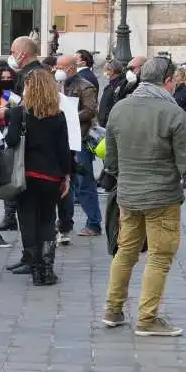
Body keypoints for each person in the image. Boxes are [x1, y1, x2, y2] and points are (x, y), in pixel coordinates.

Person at [102, 57, 186, 337]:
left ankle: (113, 310)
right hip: (162, 197)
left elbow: (110, 161)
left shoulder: (120, 109)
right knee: (160, 257)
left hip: (128, 195)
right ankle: (147, 319)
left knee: (125, 252)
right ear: (168, 81)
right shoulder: (172, 112)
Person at [5, 70, 72, 285]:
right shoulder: (58, 116)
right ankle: (47, 269)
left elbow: (12, 141)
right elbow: (64, 150)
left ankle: (34, 269)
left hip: (26, 175)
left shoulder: (19, 112)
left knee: (27, 220)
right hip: (51, 176)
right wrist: (66, 176)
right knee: (47, 220)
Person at [0, 36, 45, 233]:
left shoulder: (34, 75)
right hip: (28, 141)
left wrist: (7, 112)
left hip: (30, 143)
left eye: (13, 52)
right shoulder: (27, 73)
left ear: (23, 53)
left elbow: (32, 109)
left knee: (31, 207)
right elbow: (22, 102)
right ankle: (32, 255)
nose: (11, 56)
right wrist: (9, 106)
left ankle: (35, 258)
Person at [56, 54, 101, 240]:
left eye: (61, 66)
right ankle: (66, 223)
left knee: (84, 182)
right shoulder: (57, 84)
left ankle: (94, 223)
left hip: (80, 139)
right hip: (61, 139)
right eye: (56, 66)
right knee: (66, 182)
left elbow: (90, 111)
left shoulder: (85, 86)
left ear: (71, 68)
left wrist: (69, 116)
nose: (57, 70)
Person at [98, 59, 125, 127]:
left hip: (110, 124)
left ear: (112, 71)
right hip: (106, 123)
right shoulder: (111, 85)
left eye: (105, 70)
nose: (104, 72)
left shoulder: (120, 86)